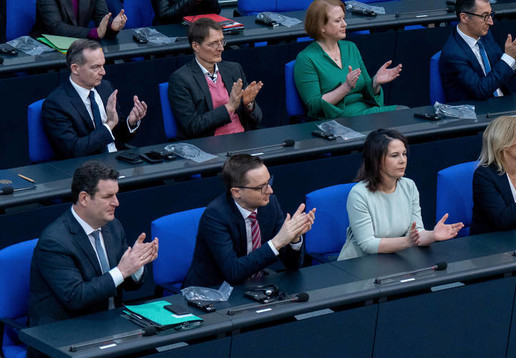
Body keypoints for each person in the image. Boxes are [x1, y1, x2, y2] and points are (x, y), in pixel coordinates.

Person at [29, 161, 158, 327]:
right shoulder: (54, 242)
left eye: (116, 195)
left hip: (112, 321)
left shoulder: (113, 226)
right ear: (84, 198)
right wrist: (122, 270)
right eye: (107, 197)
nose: (116, 202)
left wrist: (136, 264)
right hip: (69, 329)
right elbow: (76, 297)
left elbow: (128, 284)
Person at [185, 154, 313, 288]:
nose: (270, 190)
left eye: (269, 182)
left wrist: (294, 239)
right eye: (261, 187)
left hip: (255, 285)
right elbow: (233, 272)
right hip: (213, 291)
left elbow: (292, 265)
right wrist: (278, 242)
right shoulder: (215, 216)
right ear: (236, 192)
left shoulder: (270, 205)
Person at [339, 129, 462, 260]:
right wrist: (407, 242)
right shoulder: (359, 194)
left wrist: (433, 235)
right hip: (359, 264)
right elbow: (368, 244)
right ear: (377, 160)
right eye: (394, 155)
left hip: (393, 259)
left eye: (404, 154)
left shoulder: (409, 186)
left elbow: (416, 232)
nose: (402, 160)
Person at [293, 0, 402, 119]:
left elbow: (366, 90)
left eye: (343, 18)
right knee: (401, 115)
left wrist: (376, 81)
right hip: (337, 120)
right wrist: (345, 87)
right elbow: (314, 107)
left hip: (364, 112)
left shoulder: (350, 47)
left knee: (404, 114)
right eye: (337, 20)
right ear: (321, 27)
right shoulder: (306, 59)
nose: (344, 24)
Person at [42, 39, 147, 159]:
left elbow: (119, 136)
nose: (103, 72)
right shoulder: (56, 104)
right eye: (96, 67)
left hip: (119, 158)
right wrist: (109, 124)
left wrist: (131, 122)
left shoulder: (105, 87)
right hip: (88, 168)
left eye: (103, 65)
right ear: (75, 68)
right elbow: (73, 150)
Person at [167, 18, 262, 139]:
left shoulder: (233, 69)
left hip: (242, 137)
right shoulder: (181, 79)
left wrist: (248, 105)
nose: (221, 48)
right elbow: (192, 126)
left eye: (222, 42)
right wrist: (229, 107)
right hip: (211, 143)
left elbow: (257, 120)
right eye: (213, 44)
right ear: (196, 46)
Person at [438, 0, 516, 101]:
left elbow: (501, 70)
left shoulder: (485, 35)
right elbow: (480, 91)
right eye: (485, 16)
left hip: (502, 101)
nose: (491, 22)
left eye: (491, 14)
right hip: (478, 111)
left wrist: (514, 57)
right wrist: (509, 57)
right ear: (464, 17)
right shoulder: (453, 54)